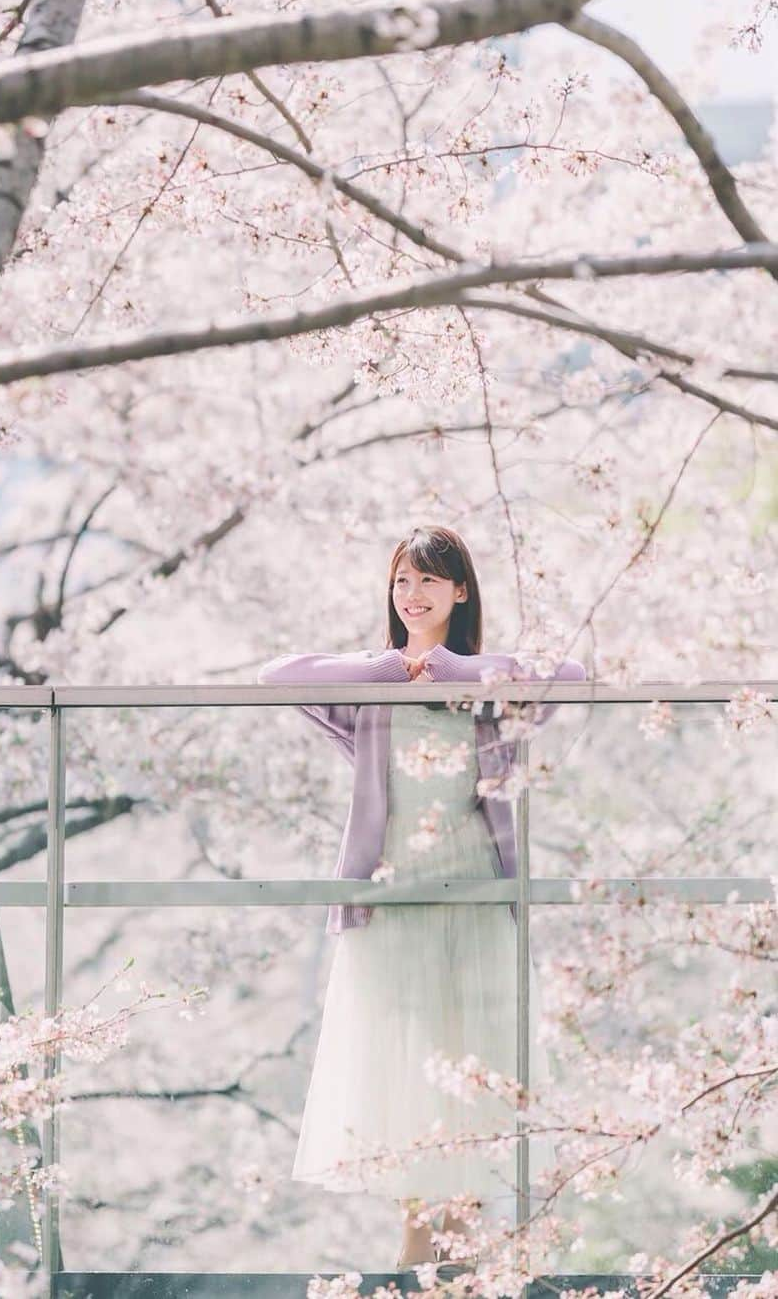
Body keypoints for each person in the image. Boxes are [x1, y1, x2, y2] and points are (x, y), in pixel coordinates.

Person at [256, 525, 587, 1271]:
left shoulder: (487, 688)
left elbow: (569, 672)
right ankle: (435, 1262)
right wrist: (389, 665)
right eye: (402, 581)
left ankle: (441, 1265)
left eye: (429, 581)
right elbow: (280, 675)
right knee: (408, 1077)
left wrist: (447, 667)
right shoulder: (373, 690)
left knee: (467, 1072)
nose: (412, 595)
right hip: (392, 901)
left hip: (473, 900)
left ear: (460, 591)